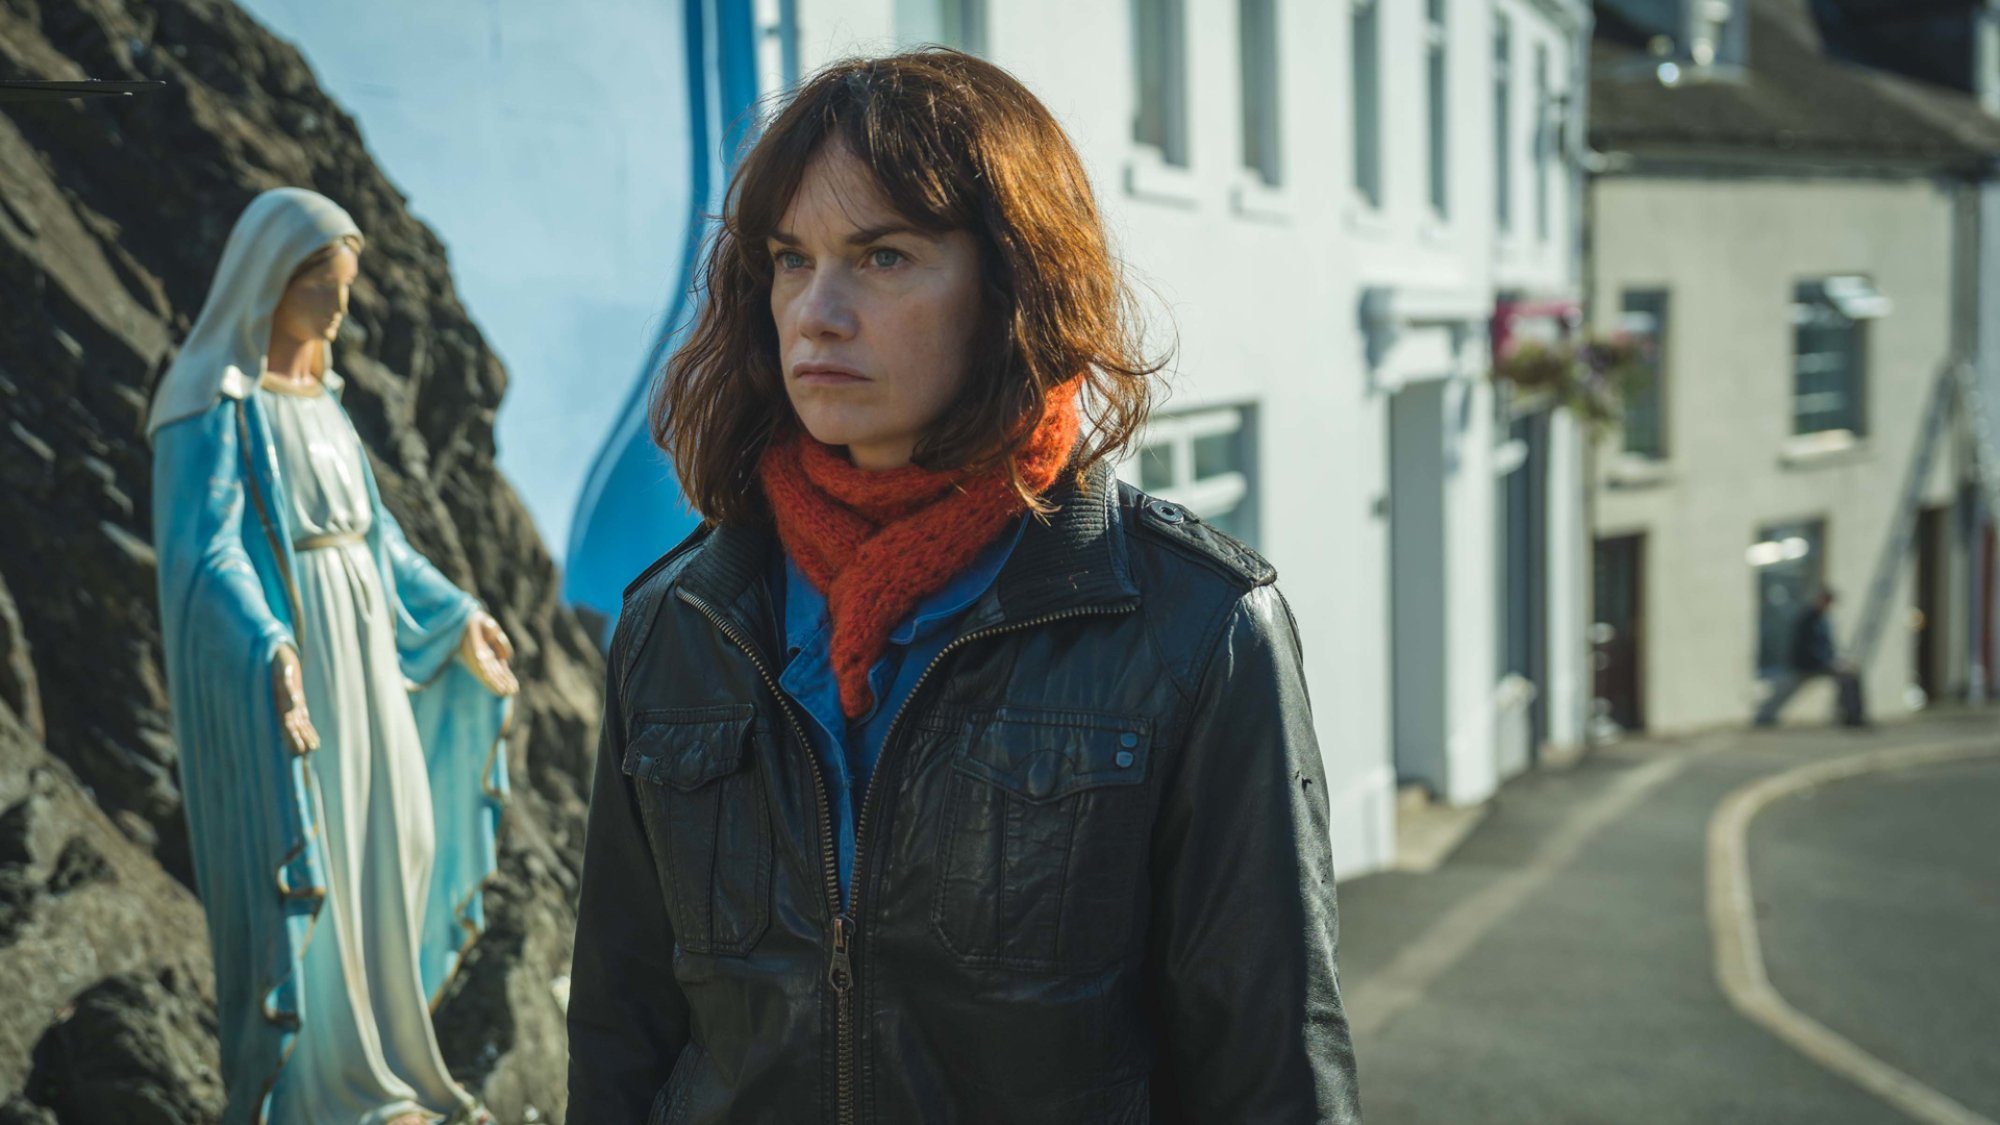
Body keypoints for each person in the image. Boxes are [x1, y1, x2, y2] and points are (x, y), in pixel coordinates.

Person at [566, 50, 1361, 1123]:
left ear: (1014, 285)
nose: (815, 313)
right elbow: (622, 1033)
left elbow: (1269, 1072)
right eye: (790, 260)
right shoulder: (680, 620)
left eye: (882, 257)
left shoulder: (1197, 629)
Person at [149, 187, 518, 1125]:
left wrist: (459, 613)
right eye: (327, 286)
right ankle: (333, 1089)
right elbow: (208, 551)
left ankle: (394, 1059)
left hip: (364, 649)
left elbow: (380, 541)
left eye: (346, 285)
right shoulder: (211, 405)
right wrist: (266, 643)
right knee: (327, 854)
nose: (342, 307)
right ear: (273, 282)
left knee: (399, 836)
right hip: (303, 657)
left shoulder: (323, 400)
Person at [1753, 589, 1867, 728]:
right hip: (1808, 664)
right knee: (1847, 677)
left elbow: (1826, 647)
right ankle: (1852, 717)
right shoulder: (1809, 619)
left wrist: (1837, 660)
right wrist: (1830, 662)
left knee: (1850, 676)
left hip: (1818, 662)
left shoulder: (1821, 619)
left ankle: (1852, 714)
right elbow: (1810, 648)